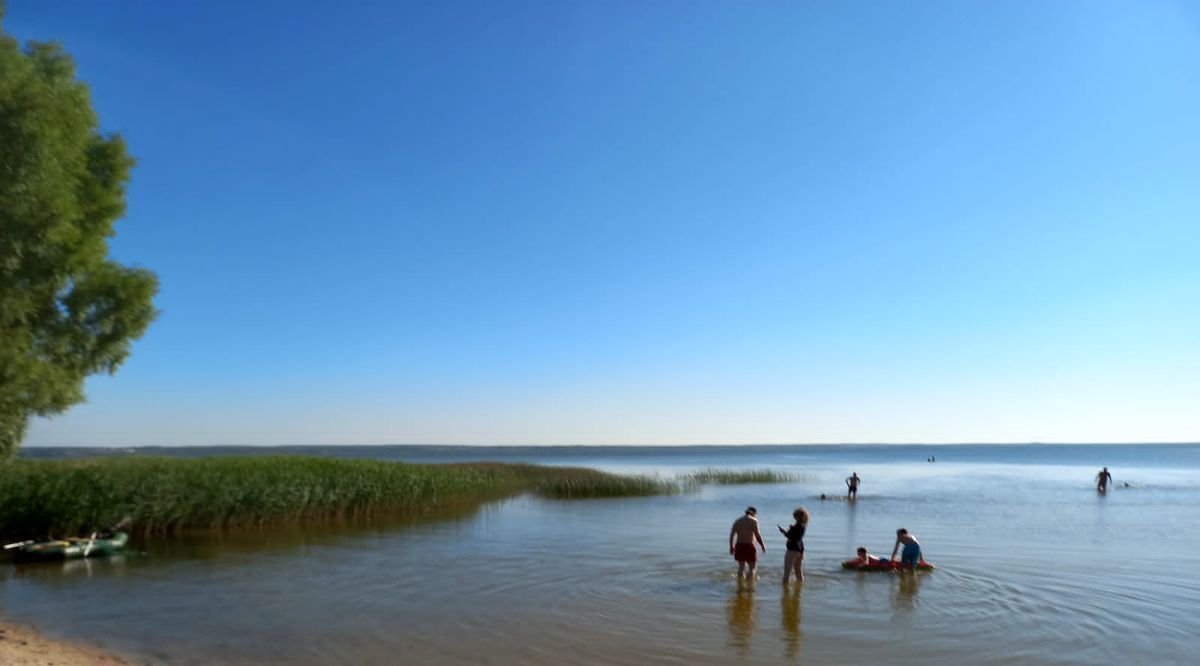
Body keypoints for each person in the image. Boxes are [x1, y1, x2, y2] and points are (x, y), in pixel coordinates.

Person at [730, 507, 766, 579]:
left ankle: (740, 586)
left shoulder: (737, 521)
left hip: (739, 545)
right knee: (752, 568)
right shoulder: (754, 521)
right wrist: (762, 545)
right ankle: (750, 587)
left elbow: (732, 535)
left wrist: (731, 546)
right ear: (754, 513)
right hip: (749, 545)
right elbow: (757, 535)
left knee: (741, 567)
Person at [777, 507, 809, 584]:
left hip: (792, 550)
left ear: (799, 516)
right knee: (798, 571)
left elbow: (792, 537)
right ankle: (799, 591)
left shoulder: (798, 526)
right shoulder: (802, 525)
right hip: (800, 549)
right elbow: (796, 537)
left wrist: (785, 532)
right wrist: (790, 529)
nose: (793, 515)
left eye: (795, 514)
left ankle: (785, 593)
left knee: (787, 572)